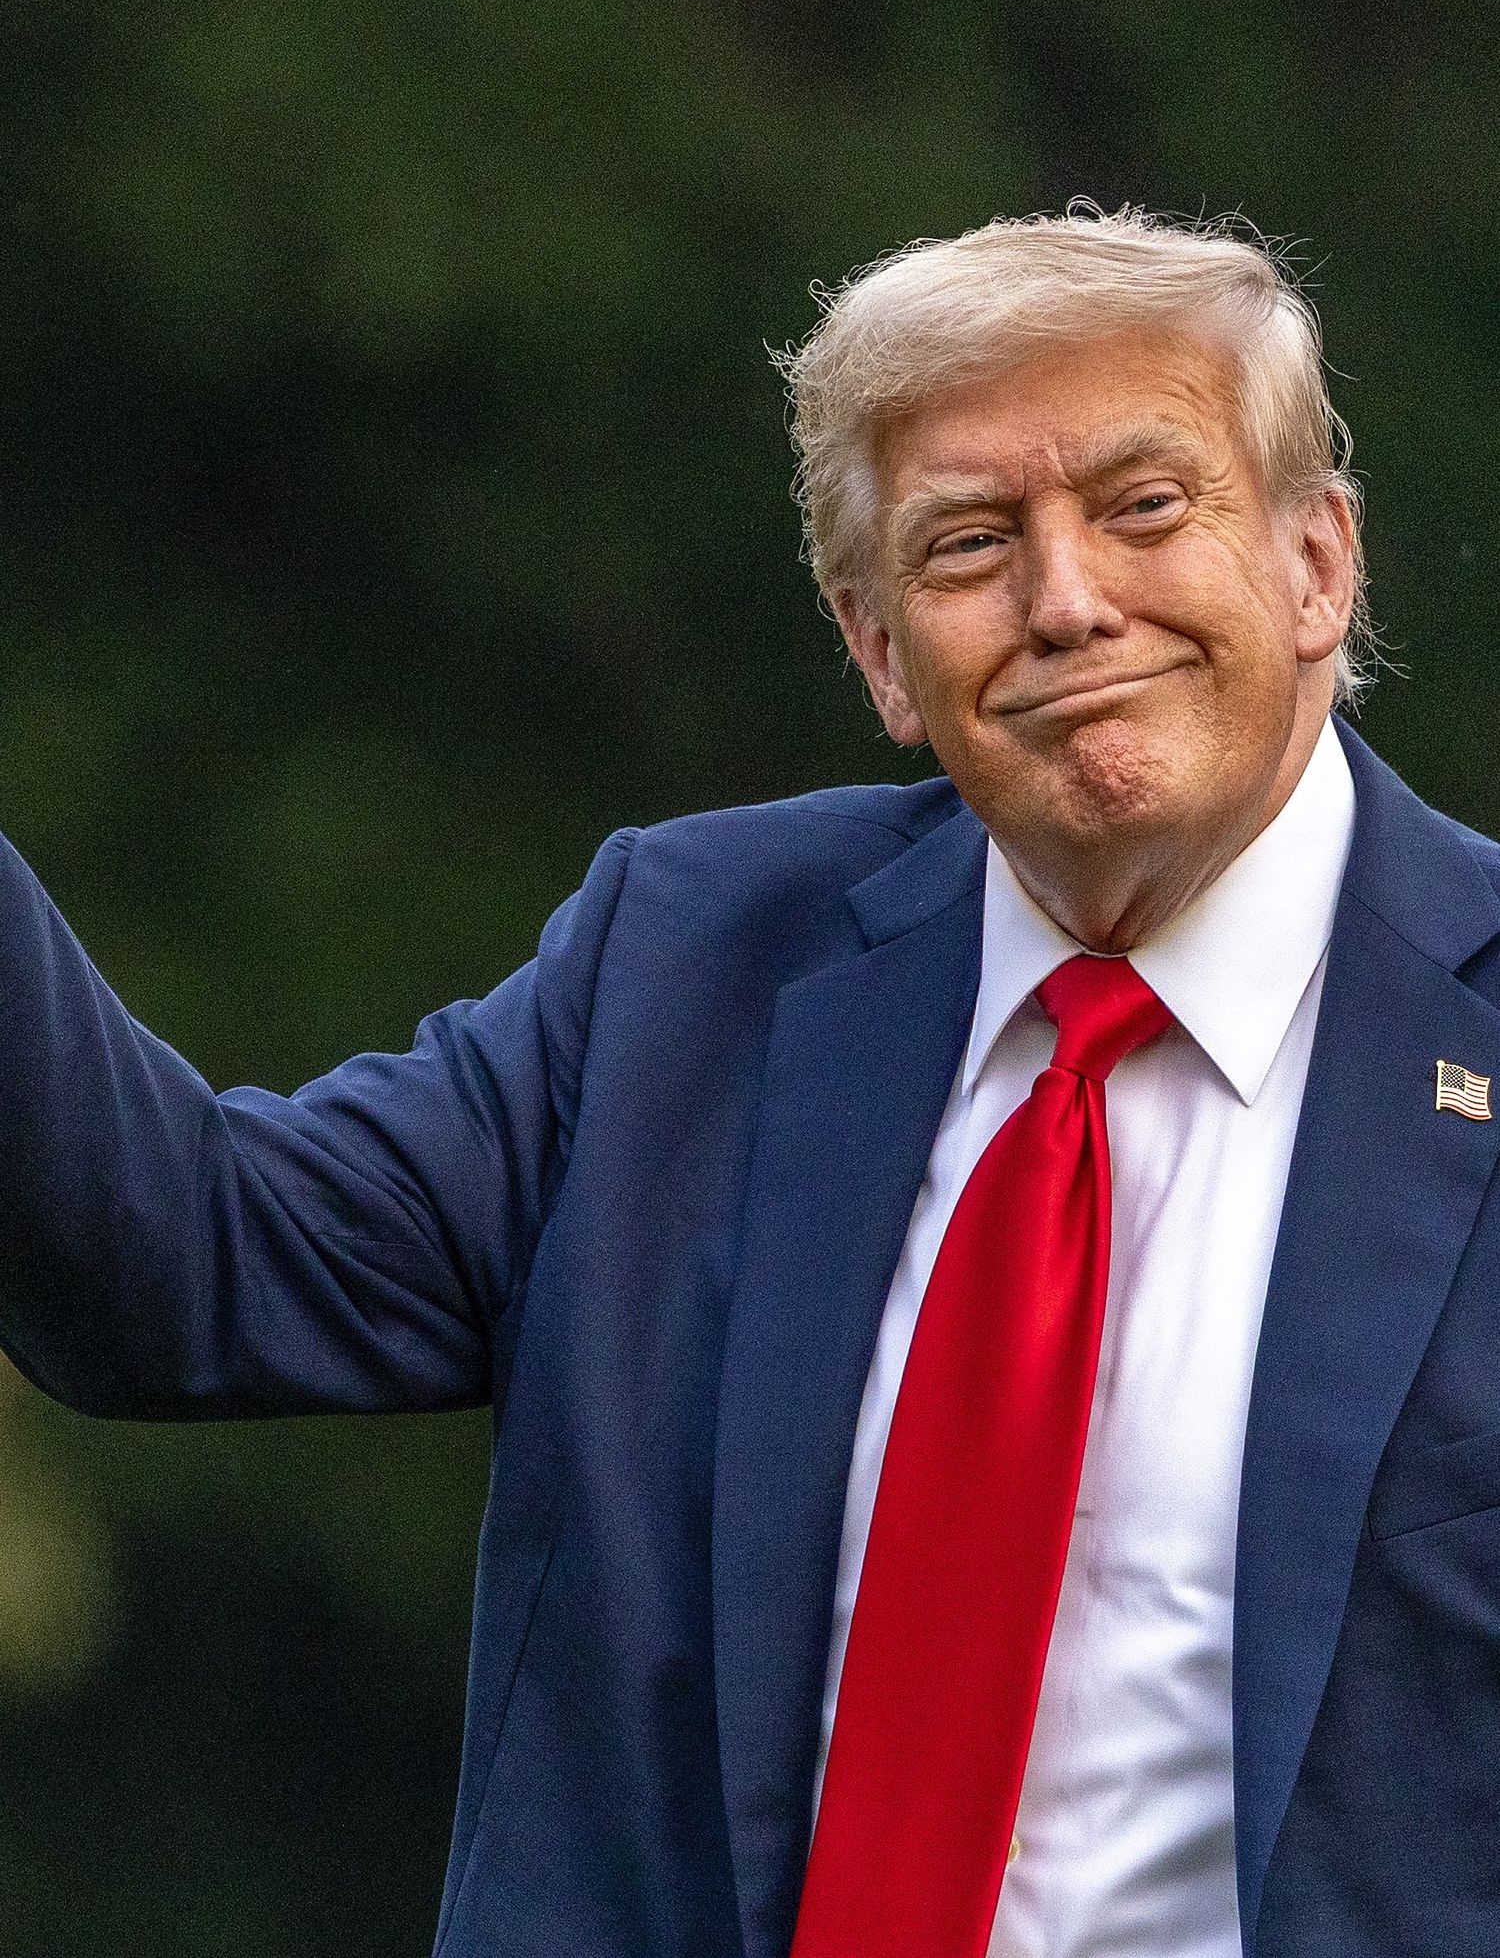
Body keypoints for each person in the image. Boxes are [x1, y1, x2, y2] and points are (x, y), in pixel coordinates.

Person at [2, 204, 1497, 1958]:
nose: (1069, 599)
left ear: (1321, 565)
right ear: (880, 655)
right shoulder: (691, 961)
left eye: (1146, 506)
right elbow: (190, 1265)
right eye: (967, 546)